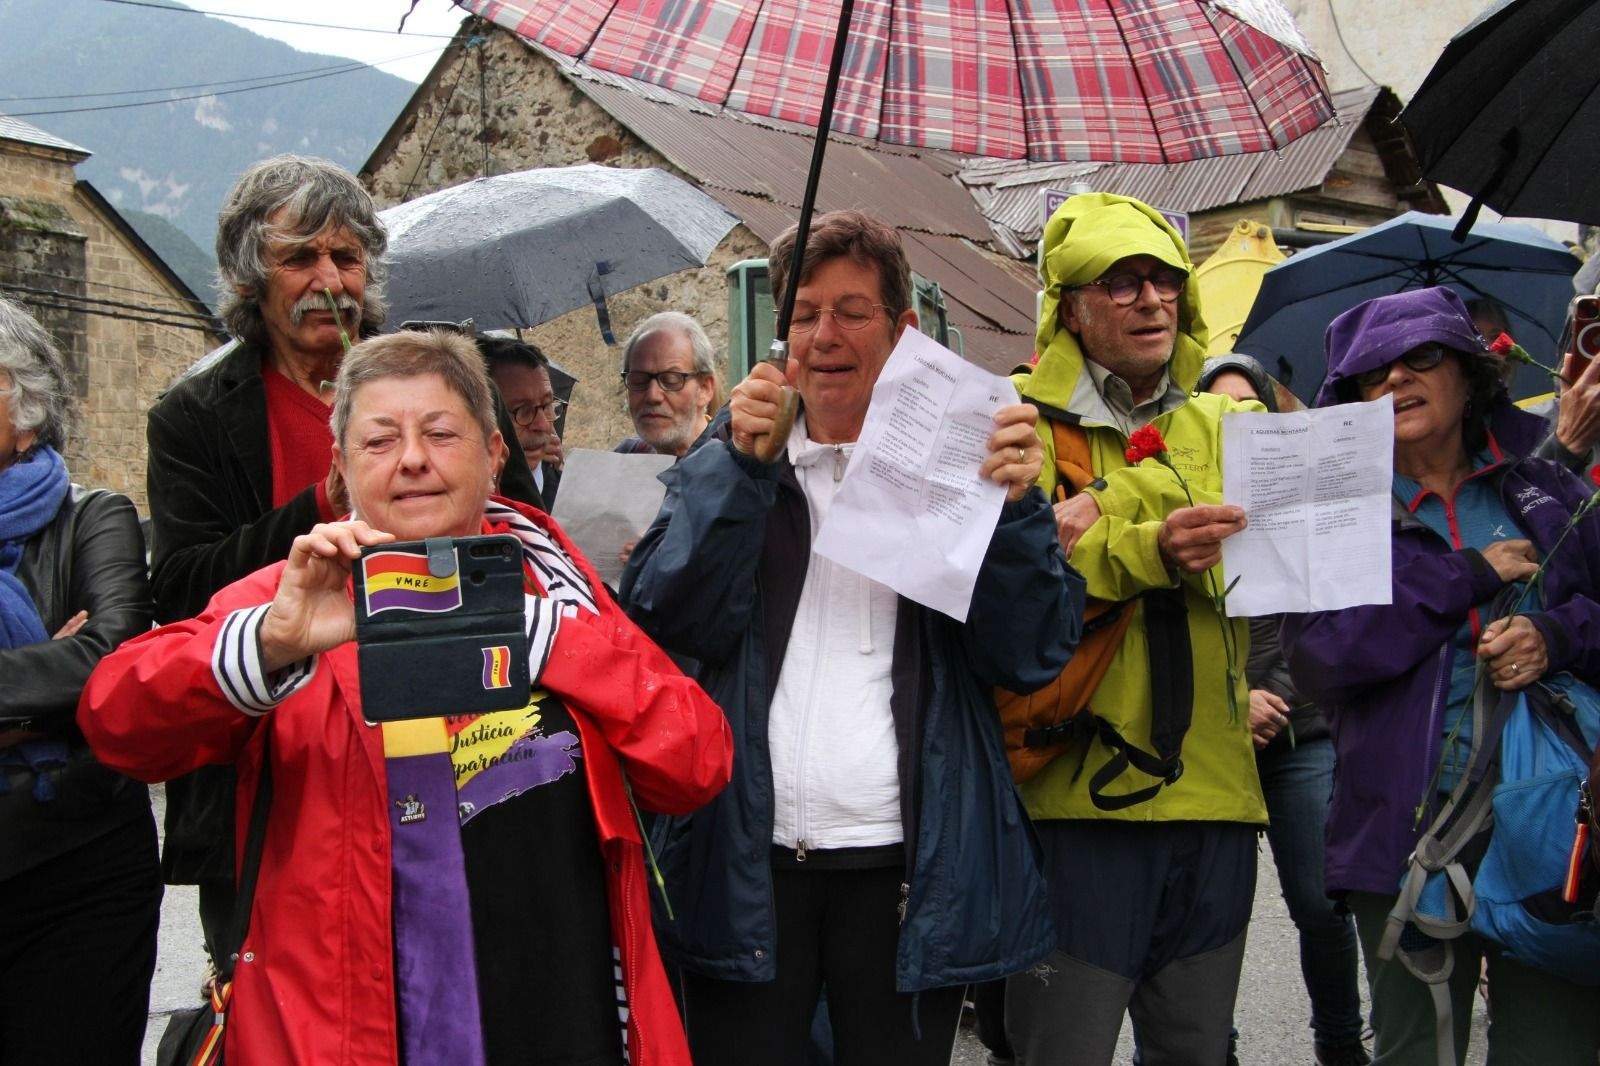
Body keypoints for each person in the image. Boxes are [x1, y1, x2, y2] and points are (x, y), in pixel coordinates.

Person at [81, 329, 733, 1064]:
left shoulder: (557, 592)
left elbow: (696, 763)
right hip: (344, 1030)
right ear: (340, 471)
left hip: (557, 1007)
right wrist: (270, 644)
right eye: (380, 441)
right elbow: (118, 721)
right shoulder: (296, 598)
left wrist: (554, 643)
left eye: (440, 433)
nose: (413, 459)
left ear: (493, 457)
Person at [620, 210, 1082, 1066]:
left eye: (852, 312)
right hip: (747, 863)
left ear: (904, 331)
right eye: (804, 315)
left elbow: (1028, 653)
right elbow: (666, 620)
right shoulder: (735, 460)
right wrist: (736, 472)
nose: (823, 336)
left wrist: (1017, 516)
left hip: (904, 869)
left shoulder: (970, 463)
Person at [147, 155, 542, 967]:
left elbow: (522, 529)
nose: (329, 278)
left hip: (454, 740)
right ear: (253, 278)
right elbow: (182, 589)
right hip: (277, 775)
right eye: (300, 258)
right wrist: (318, 510)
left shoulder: (443, 380)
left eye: (347, 257)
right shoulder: (194, 415)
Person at [1281, 286, 1600, 1064]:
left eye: (1419, 357)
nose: (1394, 380)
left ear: (1467, 372)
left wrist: (1554, 636)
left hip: (1550, 824)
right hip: (1402, 836)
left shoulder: (1546, 489)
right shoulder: (1334, 507)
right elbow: (1322, 656)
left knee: (1554, 1051)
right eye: (1371, 373)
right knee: (1414, 1053)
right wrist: (1462, 576)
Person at [1004, 193, 1264, 1066]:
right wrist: (1149, 548)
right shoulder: (1016, 422)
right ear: (1070, 307)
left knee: (1196, 1053)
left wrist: (1108, 510)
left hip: (1217, 800)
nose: (1151, 299)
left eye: (1164, 281)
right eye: (1121, 283)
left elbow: (1295, 539)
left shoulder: (1234, 421)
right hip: (1074, 805)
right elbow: (1002, 576)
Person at [1196, 353, 1370, 1066]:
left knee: (1323, 904)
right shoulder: (1181, 501)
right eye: (1219, 409)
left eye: (1249, 407)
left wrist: (1282, 698)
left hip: (1303, 732)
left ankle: (1339, 1045)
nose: (1237, 422)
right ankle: (1215, 1048)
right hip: (1210, 736)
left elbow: (1338, 625)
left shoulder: (1308, 505)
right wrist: (1235, 698)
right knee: (1212, 920)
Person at [0, 296, 160, 1063]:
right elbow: (71, 673)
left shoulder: (93, 516)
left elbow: (112, 659)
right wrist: (43, 694)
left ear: (24, 410)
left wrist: (78, 676)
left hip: (83, 863)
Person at [615, 311, 719, 458]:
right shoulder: (625, 458)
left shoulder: (738, 467)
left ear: (705, 389)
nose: (652, 395)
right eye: (639, 380)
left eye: (671, 380)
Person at [483, 335, 565, 505]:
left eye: (547, 405)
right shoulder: (468, 509)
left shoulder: (567, 492)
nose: (542, 425)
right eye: (523, 411)